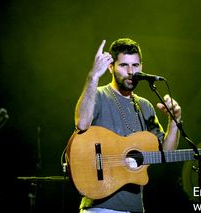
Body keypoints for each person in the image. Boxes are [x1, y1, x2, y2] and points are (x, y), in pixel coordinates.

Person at [74, 38, 182, 213]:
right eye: (124, 65)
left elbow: (167, 155)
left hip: (135, 208)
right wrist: (93, 76)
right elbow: (81, 123)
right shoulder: (99, 95)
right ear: (111, 67)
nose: (131, 71)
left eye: (135, 65)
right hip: (99, 207)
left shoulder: (145, 106)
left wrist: (174, 122)